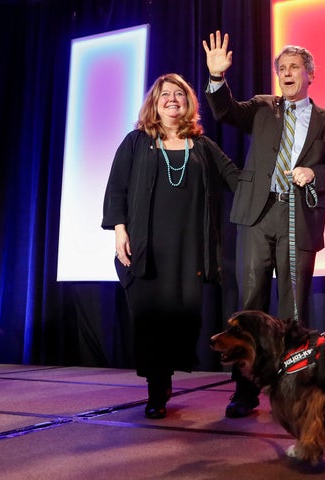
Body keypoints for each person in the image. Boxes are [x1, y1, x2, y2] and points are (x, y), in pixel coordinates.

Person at [203, 31, 325, 417]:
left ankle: (295, 390)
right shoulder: (263, 107)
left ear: (310, 74)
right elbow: (225, 111)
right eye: (281, 68)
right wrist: (217, 79)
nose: (286, 73)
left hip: (298, 218)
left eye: (294, 67)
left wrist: (313, 172)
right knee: (249, 307)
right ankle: (245, 393)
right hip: (256, 215)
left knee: (293, 310)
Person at [101, 73, 239, 419]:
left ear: (189, 102)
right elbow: (117, 187)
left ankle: (166, 377)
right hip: (147, 249)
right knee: (149, 320)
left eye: (179, 94)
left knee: (181, 318)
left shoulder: (203, 145)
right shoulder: (135, 142)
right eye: (165, 94)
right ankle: (156, 388)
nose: (172, 99)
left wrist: (277, 177)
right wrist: (120, 230)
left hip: (188, 250)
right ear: (154, 102)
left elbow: (236, 177)